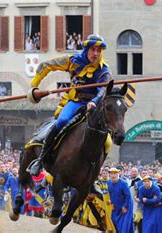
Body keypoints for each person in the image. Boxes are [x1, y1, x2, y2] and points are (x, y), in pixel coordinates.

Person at [27, 34, 112, 176]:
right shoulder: (72, 61)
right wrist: (34, 85)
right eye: (93, 49)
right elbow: (46, 66)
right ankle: (41, 160)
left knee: (107, 142)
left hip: (94, 106)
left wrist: (94, 102)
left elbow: (103, 90)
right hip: (75, 101)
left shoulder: (104, 70)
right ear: (86, 49)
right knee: (62, 121)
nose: (96, 54)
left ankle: (93, 176)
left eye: (99, 50)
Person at [107, 167, 134, 233]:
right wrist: (111, 202)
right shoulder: (108, 182)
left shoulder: (123, 183)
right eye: (111, 174)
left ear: (118, 174)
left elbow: (128, 196)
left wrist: (125, 206)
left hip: (126, 205)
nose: (113, 175)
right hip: (116, 206)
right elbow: (110, 193)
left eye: (115, 173)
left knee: (123, 225)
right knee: (114, 221)